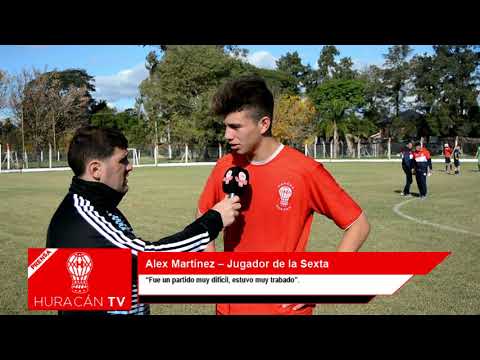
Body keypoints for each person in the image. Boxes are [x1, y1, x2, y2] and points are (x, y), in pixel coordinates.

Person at [196, 76, 370, 315]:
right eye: (225, 126)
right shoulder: (224, 167)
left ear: (263, 124)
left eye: (235, 127)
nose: (227, 135)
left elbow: (358, 225)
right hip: (229, 308)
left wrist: (326, 281)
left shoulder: (305, 171)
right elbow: (203, 214)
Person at [47, 126, 241, 315]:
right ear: (96, 169)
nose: (130, 166)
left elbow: (127, 274)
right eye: (122, 160)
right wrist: (213, 220)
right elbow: (147, 259)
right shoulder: (84, 215)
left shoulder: (100, 208)